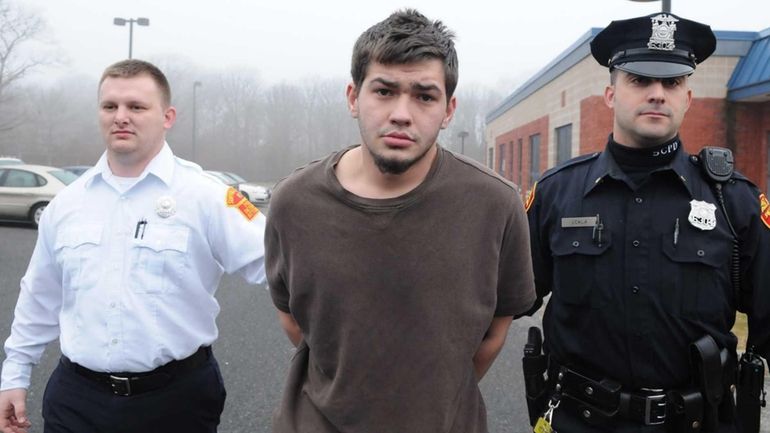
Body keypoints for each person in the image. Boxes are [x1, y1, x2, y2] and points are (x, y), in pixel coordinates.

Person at [264, 8, 536, 433]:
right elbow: (293, 319)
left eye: (425, 96)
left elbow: (493, 335)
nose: (402, 114)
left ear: (449, 110)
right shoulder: (293, 203)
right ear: (354, 97)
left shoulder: (496, 204)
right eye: (384, 91)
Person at [525, 12, 770, 433]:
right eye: (639, 80)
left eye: (672, 83)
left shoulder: (734, 201)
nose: (657, 94)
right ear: (610, 95)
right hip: (578, 422)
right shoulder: (555, 195)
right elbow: (498, 303)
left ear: (687, 98)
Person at [0, 59, 266, 433]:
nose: (121, 116)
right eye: (110, 106)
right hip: (77, 399)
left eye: (136, 107)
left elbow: (281, 266)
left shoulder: (207, 197)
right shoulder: (67, 205)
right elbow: (39, 297)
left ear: (167, 116)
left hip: (175, 402)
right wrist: (14, 375)